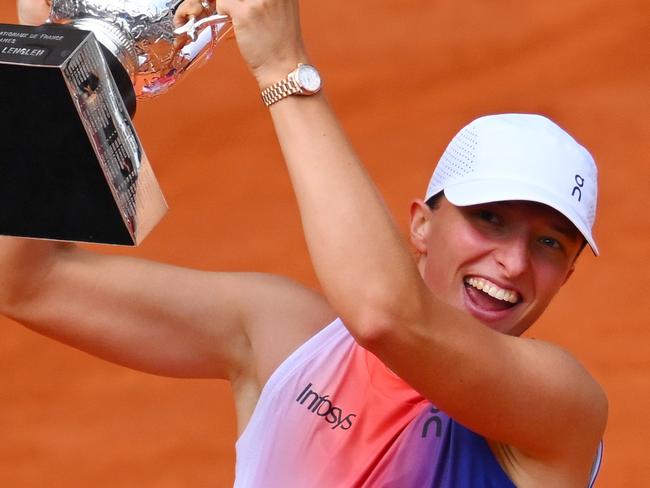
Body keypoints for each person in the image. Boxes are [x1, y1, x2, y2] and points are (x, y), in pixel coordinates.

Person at [4, 0, 607, 486]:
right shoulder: (285, 338)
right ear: (421, 225)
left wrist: (284, 70)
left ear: (570, 273)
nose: (514, 261)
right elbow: (26, 283)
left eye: (551, 244)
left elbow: (387, 318)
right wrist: (57, 91)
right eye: (491, 219)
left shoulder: (560, 409)